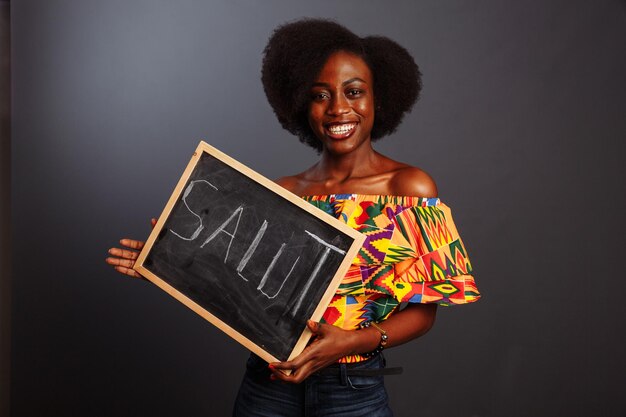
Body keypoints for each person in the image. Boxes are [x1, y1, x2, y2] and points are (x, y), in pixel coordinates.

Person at [106, 18, 479, 417]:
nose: (338, 108)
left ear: (379, 100)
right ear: (302, 104)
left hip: (351, 391)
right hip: (268, 388)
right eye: (321, 95)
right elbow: (249, 292)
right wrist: (169, 262)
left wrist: (354, 342)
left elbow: (425, 311)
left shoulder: (409, 188)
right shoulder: (283, 191)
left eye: (354, 92)